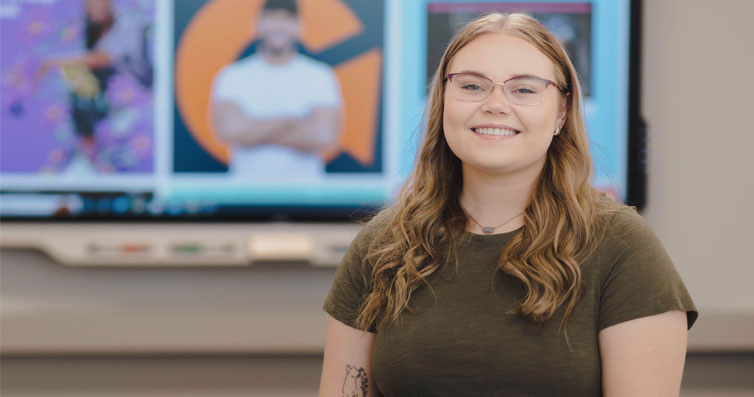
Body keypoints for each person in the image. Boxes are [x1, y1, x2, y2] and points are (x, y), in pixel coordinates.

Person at [319, 13, 697, 396]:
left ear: (561, 113)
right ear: (443, 103)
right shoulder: (381, 246)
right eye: (471, 86)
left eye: (524, 90)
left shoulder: (621, 245)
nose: (495, 104)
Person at [210, 0, 342, 179]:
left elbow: (323, 136)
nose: (279, 25)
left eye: (287, 19)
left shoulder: (319, 75)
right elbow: (230, 130)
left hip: (305, 196)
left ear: (299, 27)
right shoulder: (232, 75)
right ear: (257, 24)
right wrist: (290, 121)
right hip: (246, 195)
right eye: (272, 18)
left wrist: (253, 132)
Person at [39, 0, 152, 169]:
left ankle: (95, 158)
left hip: (131, 93)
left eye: (98, 3)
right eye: (89, 5)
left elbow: (103, 58)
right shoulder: (90, 27)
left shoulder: (128, 23)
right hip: (105, 99)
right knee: (77, 84)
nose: (94, 8)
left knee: (81, 77)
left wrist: (54, 62)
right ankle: (88, 154)